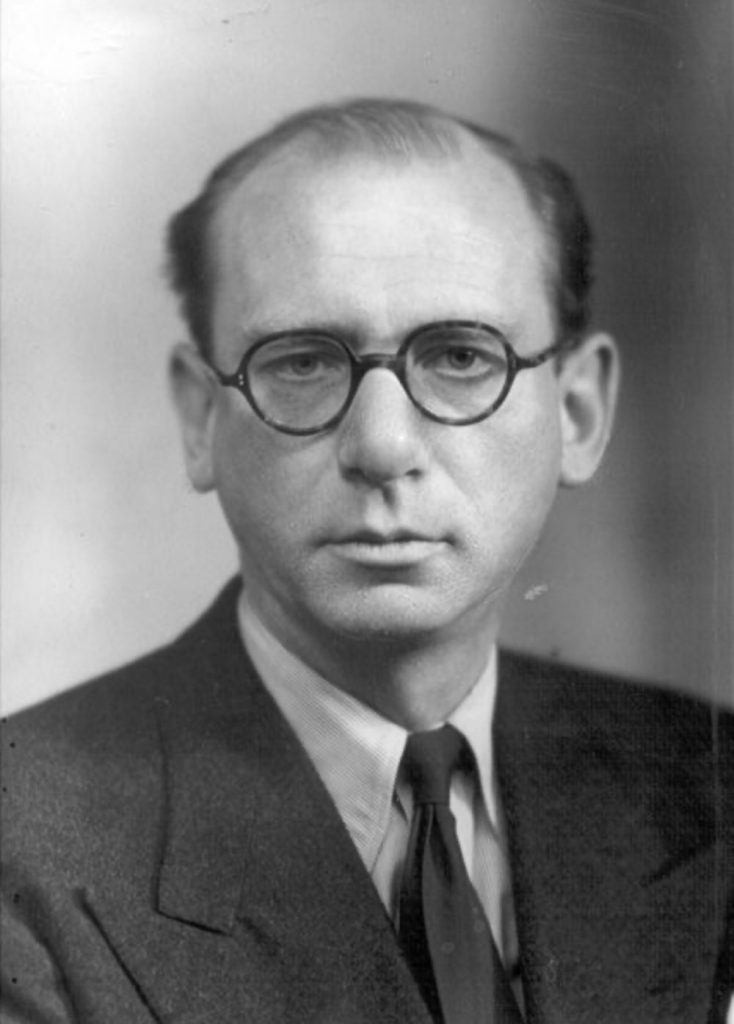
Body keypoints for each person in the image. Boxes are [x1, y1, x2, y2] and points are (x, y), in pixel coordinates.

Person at [1, 99, 731, 1024]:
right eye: (302, 363)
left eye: (461, 357)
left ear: (579, 414)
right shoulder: (24, 850)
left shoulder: (707, 787)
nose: (383, 446)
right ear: (199, 419)